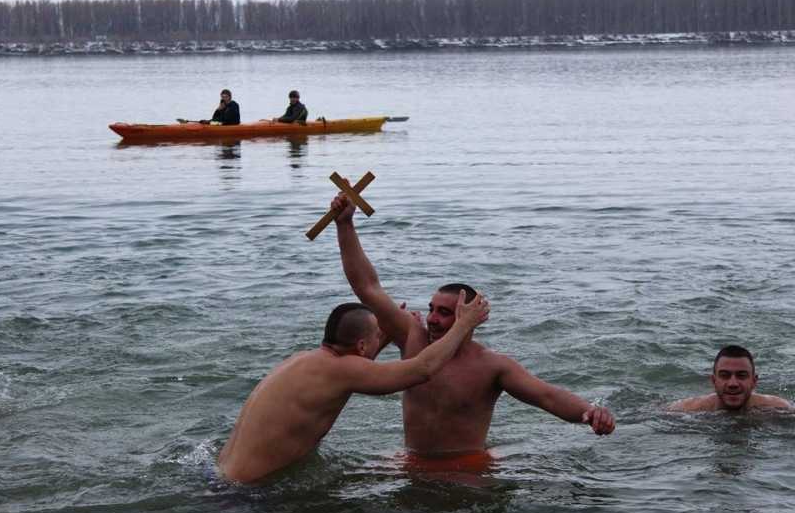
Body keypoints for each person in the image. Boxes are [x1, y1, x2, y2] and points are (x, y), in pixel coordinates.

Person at [330, 192, 616, 459]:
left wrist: (590, 411)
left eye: (444, 312)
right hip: (412, 460)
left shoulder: (492, 366)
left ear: (468, 319)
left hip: (466, 464)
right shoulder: (411, 337)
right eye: (431, 309)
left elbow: (548, 396)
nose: (431, 319)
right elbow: (367, 287)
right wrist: (345, 225)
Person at [216, 293, 490, 484]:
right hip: (248, 496)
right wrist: (464, 324)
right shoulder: (342, 370)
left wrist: (377, 337)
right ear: (360, 346)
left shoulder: (303, 359)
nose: (384, 339)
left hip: (218, 478)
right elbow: (424, 369)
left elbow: (359, 365)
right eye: (378, 337)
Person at [666, 345, 793, 412]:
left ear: (753, 381)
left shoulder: (779, 409)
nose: (733, 383)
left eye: (741, 375)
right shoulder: (686, 411)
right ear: (714, 381)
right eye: (725, 375)